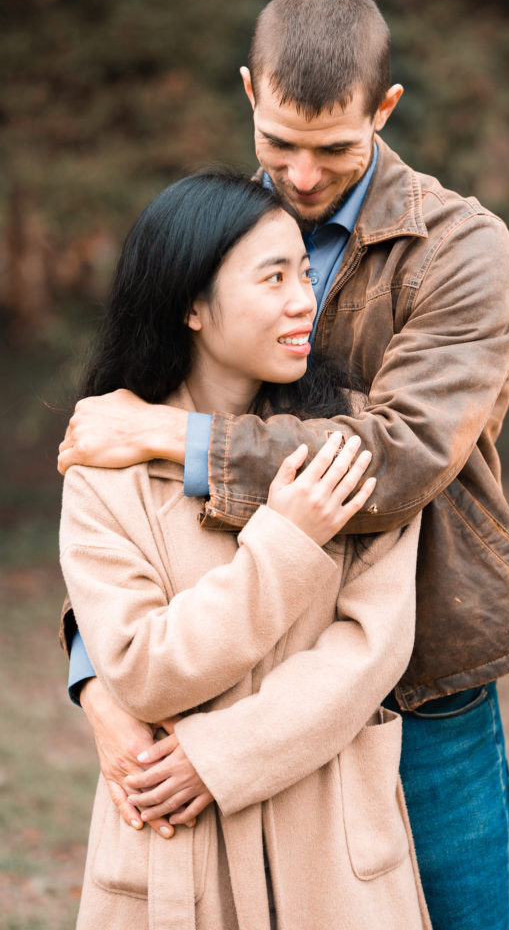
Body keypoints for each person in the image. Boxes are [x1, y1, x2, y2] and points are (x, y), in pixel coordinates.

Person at [59, 0, 509, 929]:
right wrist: (97, 676)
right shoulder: (207, 235)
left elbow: (405, 453)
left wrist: (178, 436)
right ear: (249, 93)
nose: (298, 174)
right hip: (224, 690)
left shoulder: (461, 249)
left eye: (333, 148)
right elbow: (126, 485)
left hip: (424, 689)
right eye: (277, 144)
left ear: (386, 109)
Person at [60, 169, 431, 929]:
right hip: (175, 858)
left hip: (330, 853)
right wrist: (287, 542)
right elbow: (140, 667)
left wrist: (220, 753)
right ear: (192, 304)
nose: (305, 299)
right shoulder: (105, 464)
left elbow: (371, 649)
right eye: (273, 278)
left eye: (305, 271)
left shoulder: (350, 440)